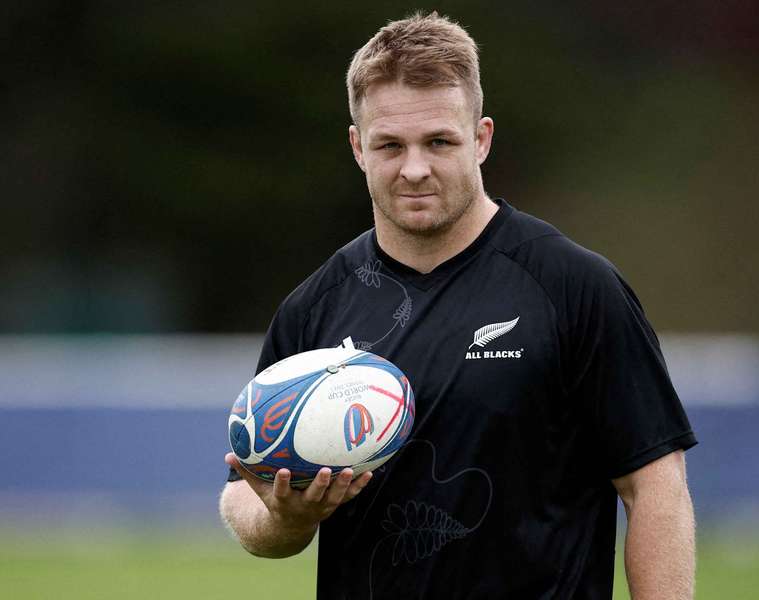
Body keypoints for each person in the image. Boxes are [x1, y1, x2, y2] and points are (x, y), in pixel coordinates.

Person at [220, 11, 697, 599]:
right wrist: (286, 518)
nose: (414, 168)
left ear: (481, 138)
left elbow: (654, 487)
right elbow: (247, 490)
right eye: (389, 144)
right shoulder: (315, 307)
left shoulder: (575, 287)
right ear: (357, 147)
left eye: (439, 142)